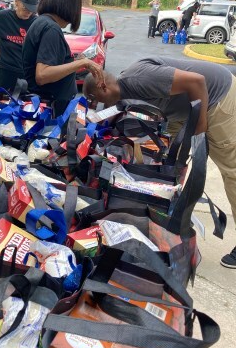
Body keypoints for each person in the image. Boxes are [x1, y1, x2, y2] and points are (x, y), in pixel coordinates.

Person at [83, 56, 236, 268]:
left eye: (93, 98)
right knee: (165, 164)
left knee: (232, 171)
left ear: (102, 85)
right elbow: (115, 116)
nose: (96, 104)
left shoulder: (138, 79)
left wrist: (199, 128)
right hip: (184, 110)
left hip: (218, 98)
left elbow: (197, 82)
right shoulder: (123, 92)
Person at [22, 0, 104, 115]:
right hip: (51, 111)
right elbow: (42, 75)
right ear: (70, 6)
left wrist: (74, 61)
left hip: (47, 106)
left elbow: (52, 66)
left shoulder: (42, 22)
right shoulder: (51, 29)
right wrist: (82, 63)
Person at [0, 0, 38, 90]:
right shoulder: (3, 18)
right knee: (1, 105)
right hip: (5, 74)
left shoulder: (37, 22)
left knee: (27, 106)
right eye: (25, 8)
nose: (28, 13)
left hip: (28, 76)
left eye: (31, 10)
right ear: (16, 2)